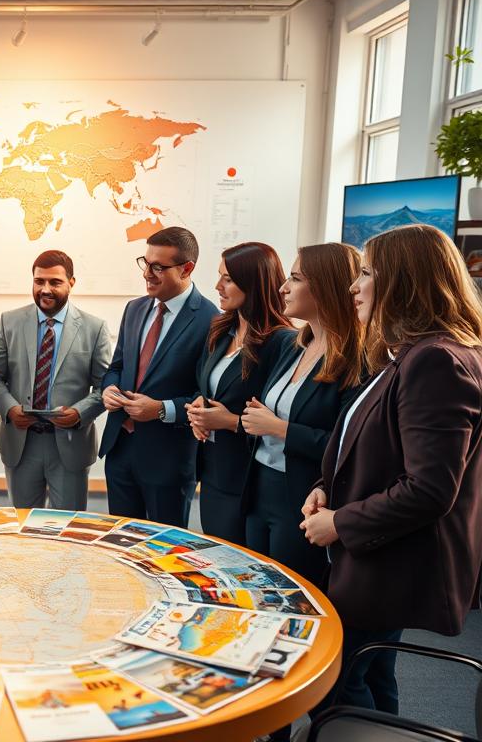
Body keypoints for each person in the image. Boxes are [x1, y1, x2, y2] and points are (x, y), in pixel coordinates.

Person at [301, 225, 482, 714]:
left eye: (365, 274)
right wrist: (324, 486)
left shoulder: (436, 361)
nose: (353, 286)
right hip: (377, 555)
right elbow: (368, 444)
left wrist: (340, 521)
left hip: (388, 563)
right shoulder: (406, 353)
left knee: (336, 692)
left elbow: (430, 487)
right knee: (374, 674)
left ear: (403, 280)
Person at [240, 243, 363, 587]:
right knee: (258, 589)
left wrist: (281, 429)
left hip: (303, 497)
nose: (283, 288)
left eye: (294, 278)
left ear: (326, 286)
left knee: (292, 596)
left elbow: (347, 448)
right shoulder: (291, 344)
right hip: (259, 486)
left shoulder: (358, 361)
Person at [100, 227, 219, 525]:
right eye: (145, 262)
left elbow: (208, 395)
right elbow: (116, 367)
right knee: (121, 545)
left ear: (186, 268)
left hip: (169, 460)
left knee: (162, 554)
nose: (147, 274)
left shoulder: (211, 320)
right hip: (120, 451)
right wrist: (109, 389)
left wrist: (161, 410)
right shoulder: (135, 309)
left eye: (158, 267)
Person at [185, 242, 293, 544]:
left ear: (254, 282)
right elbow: (206, 385)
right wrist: (199, 406)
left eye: (228, 279)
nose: (218, 286)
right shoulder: (221, 330)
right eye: (220, 276)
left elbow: (277, 416)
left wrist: (229, 421)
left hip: (249, 479)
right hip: (214, 471)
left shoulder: (281, 341)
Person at [0, 250, 113, 510]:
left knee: (66, 529)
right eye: (39, 281)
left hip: (70, 443)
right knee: (22, 529)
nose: (45, 289)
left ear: (71, 283)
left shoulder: (94, 327)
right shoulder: (9, 321)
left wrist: (79, 412)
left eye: (55, 282)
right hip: (21, 442)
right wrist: (10, 409)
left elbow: (105, 387)